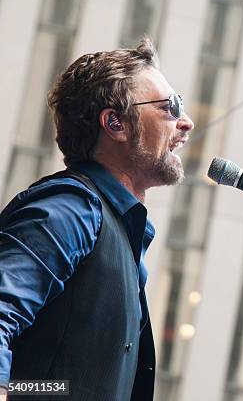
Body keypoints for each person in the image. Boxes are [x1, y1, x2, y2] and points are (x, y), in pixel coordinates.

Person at [0, 38, 194, 400]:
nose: (186, 122)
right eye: (171, 106)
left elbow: (58, 384)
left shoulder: (117, 225)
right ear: (116, 123)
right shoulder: (73, 209)